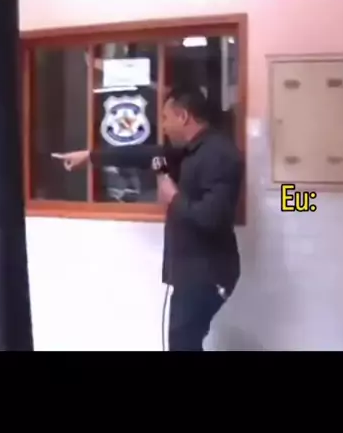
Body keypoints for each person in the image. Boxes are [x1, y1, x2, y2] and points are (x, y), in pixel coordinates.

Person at [55, 87, 244, 351]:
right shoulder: (186, 151)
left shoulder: (220, 155)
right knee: (184, 343)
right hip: (192, 273)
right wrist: (90, 157)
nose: (163, 126)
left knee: (182, 343)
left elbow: (213, 217)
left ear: (183, 116)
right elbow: (145, 156)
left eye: (166, 118)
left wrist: (173, 197)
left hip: (207, 275)